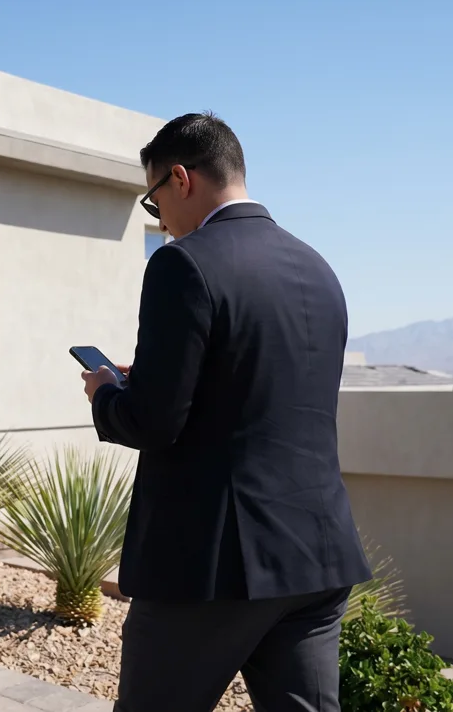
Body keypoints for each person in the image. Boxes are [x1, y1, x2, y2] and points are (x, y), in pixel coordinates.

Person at [81, 112, 372, 712]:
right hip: (315, 554)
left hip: (211, 565)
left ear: (180, 179)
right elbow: (261, 389)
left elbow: (154, 422)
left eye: (152, 201)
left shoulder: (182, 264)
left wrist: (108, 396)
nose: (159, 221)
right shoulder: (319, 269)